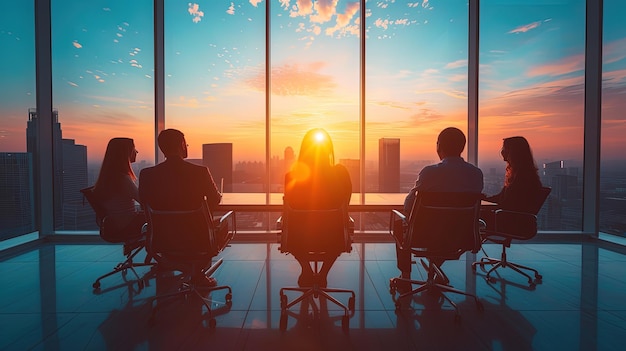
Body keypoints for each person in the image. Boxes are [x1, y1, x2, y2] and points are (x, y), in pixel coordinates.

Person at [395, 127, 484, 279]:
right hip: (461, 234)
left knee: (398, 224)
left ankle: (405, 276)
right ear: (462, 147)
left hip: (426, 234)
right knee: (446, 232)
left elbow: (409, 205)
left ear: (439, 146)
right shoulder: (476, 174)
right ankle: (434, 269)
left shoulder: (429, 173)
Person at [139, 129, 223, 286]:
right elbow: (215, 199)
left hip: (162, 238)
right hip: (198, 238)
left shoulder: (147, 175)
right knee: (216, 225)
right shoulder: (200, 172)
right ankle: (198, 275)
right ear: (182, 145)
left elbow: (144, 202)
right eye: (186, 144)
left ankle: (171, 265)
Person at [284, 128, 352, 288]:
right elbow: (345, 207)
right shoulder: (340, 174)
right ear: (329, 150)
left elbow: (289, 210)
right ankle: (322, 275)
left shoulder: (292, 176)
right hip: (333, 238)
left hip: (299, 239)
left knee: (294, 231)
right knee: (336, 232)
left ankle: (306, 270)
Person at [92, 137, 145, 252]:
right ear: (125, 153)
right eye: (134, 149)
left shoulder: (109, 176)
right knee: (164, 219)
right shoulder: (122, 179)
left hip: (114, 225)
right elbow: (143, 200)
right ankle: (167, 258)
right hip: (126, 225)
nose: (136, 152)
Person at [481, 136, 543, 230]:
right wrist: (485, 199)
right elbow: (502, 199)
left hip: (510, 222)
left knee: (470, 217)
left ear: (513, 152)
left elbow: (507, 204)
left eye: (504, 149)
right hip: (512, 220)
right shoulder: (523, 174)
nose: (502, 152)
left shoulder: (523, 177)